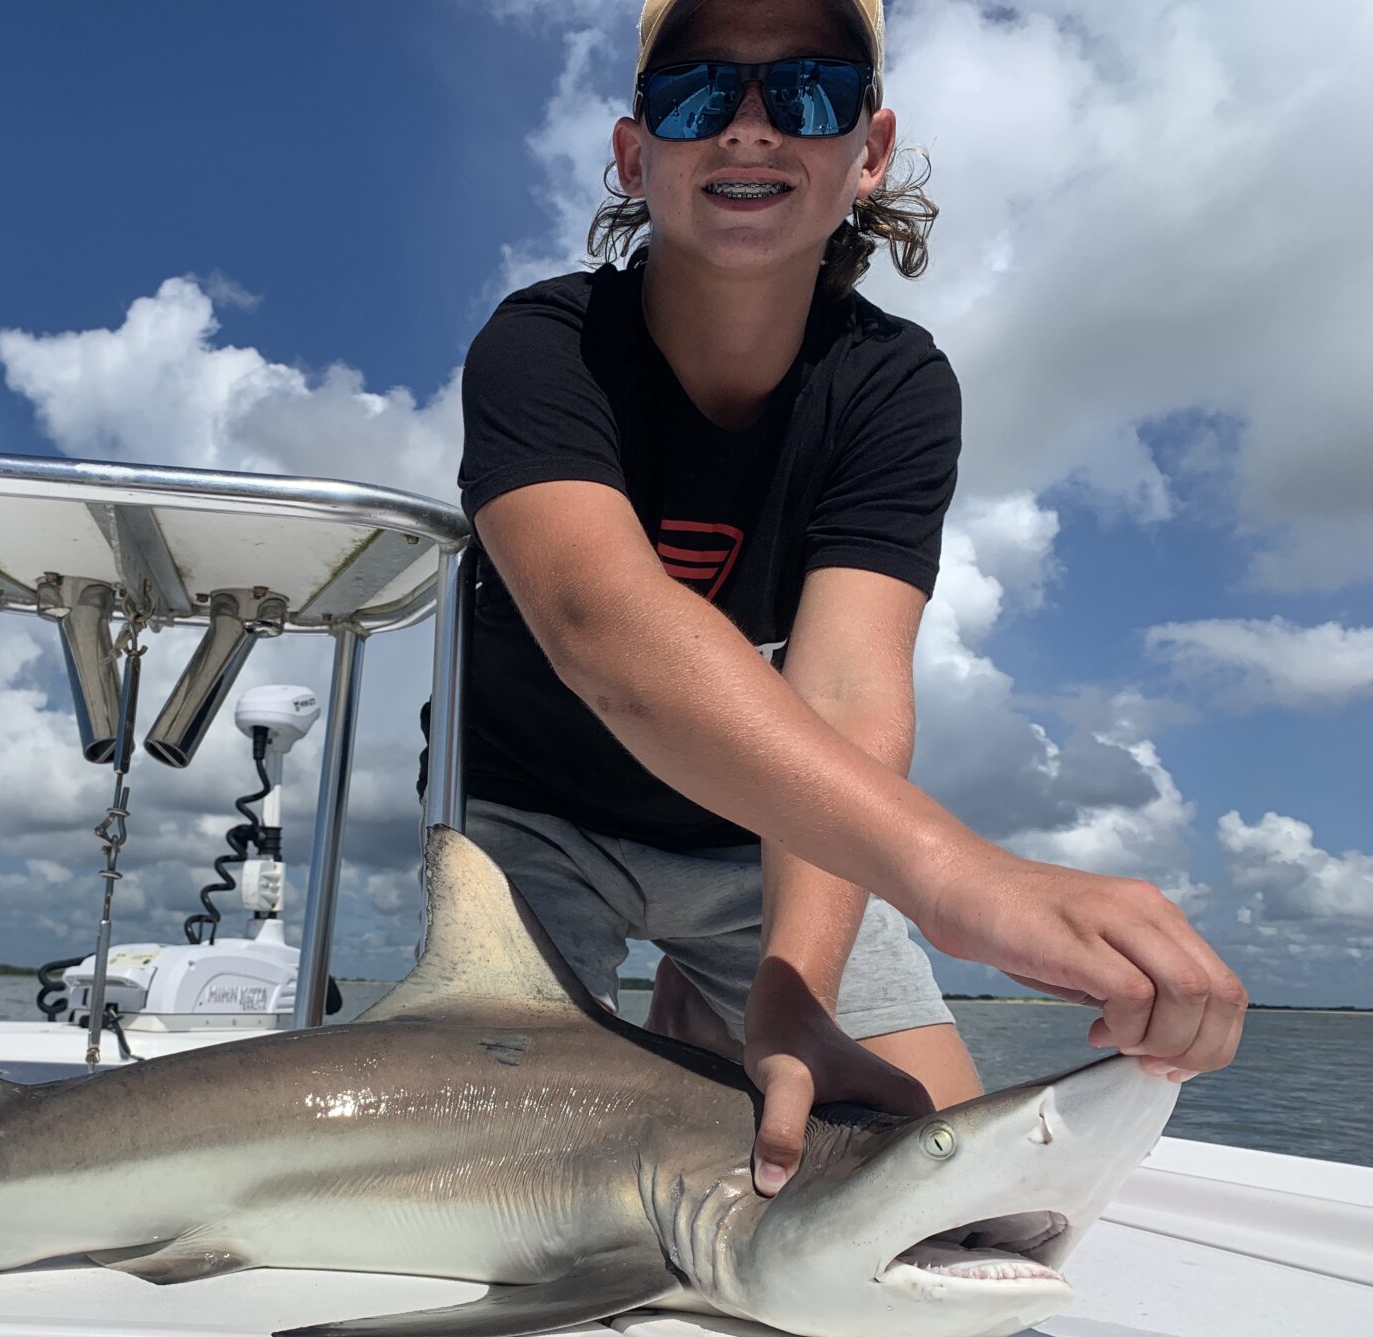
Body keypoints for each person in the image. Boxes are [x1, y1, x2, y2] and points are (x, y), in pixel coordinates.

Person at [444, 0, 1248, 1196]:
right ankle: (688, 1010)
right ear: (635, 152)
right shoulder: (542, 346)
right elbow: (600, 630)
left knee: (916, 1171)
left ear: (868, 154)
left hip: (761, 829)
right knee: (495, 1173)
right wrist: (960, 878)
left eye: (807, 94)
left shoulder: (895, 387)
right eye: (700, 95)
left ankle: (718, 996)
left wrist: (792, 989)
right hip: (530, 817)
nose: (752, 130)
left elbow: (849, 685)